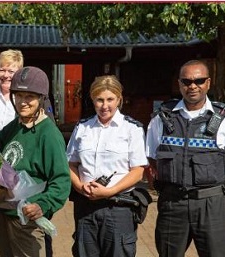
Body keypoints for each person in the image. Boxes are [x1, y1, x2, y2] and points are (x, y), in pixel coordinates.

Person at [0, 66, 70, 257]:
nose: (23, 102)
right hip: (4, 213)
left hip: (28, 219)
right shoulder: (17, 125)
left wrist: (43, 204)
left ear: (41, 98)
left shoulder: (49, 134)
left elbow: (61, 181)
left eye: (29, 97)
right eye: (18, 96)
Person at [146, 60, 225, 257]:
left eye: (198, 80)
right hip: (173, 203)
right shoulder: (161, 118)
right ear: (179, 84)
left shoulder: (222, 119)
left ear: (208, 82)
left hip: (211, 205)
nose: (192, 86)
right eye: (186, 81)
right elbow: (151, 159)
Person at [66, 75, 147, 257]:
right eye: (99, 100)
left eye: (110, 99)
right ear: (93, 100)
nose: (105, 106)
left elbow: (138, 171)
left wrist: (110, 191)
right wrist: (80, 187)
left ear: (119, 99)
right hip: (86, 207)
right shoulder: (82, 128)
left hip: (118, 208)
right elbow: (70, 164)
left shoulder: (131, 129)